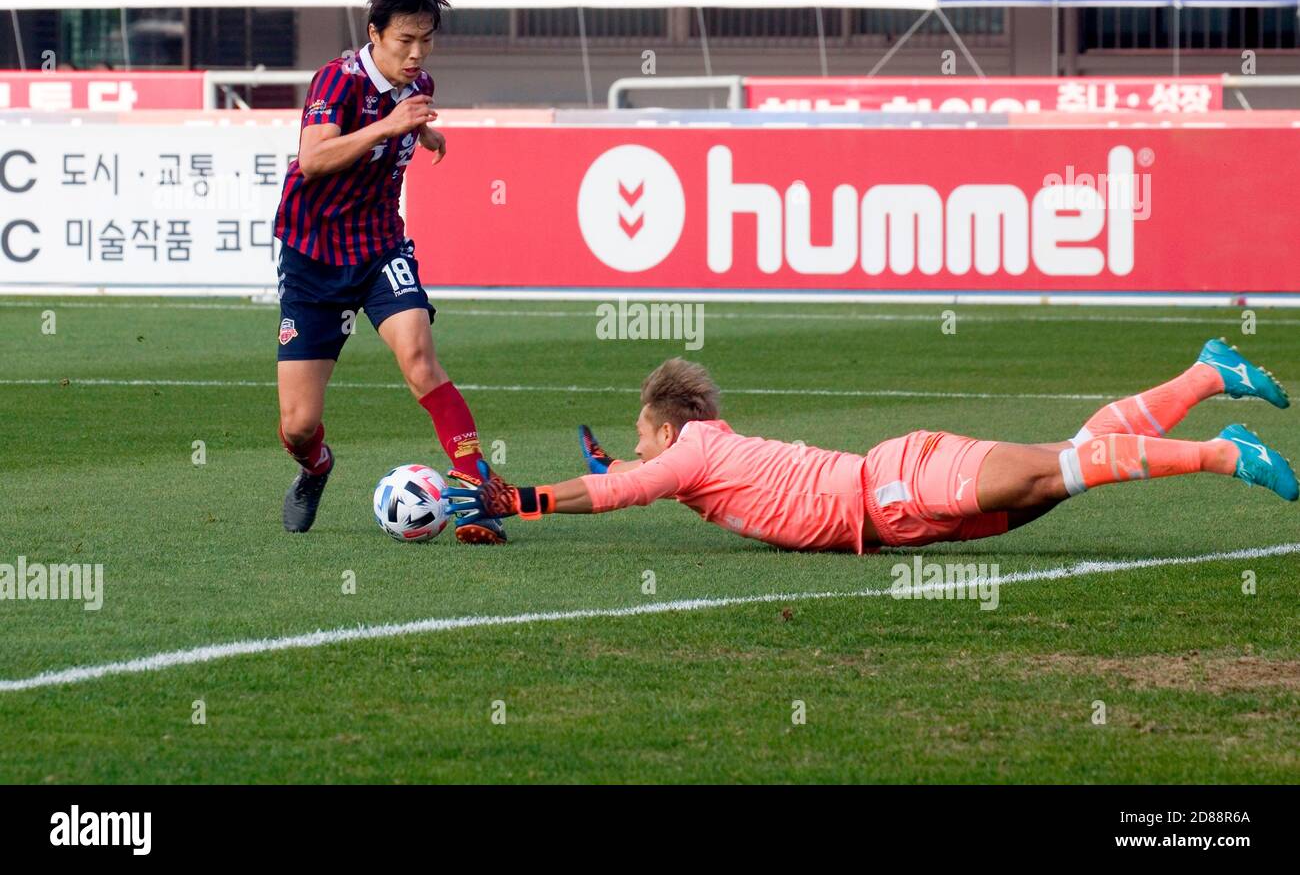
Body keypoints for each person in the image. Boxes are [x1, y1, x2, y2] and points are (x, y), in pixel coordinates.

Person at [444, 340, 1294, 552]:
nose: (639, 447)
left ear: (667, 428)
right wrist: (611, 465)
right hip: (900, 517)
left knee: (1068, 469)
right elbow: (639, 475)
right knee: (1067, 466)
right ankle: (1205, 374)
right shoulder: (702, 448)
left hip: (897, 485)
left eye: (642, 433)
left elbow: (630, 488)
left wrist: (526, 499)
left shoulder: (690, 452)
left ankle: (1224, 453)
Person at [273, 0, 504, 543]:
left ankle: (478, 489)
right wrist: (392, 126)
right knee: (298, 425)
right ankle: (316, 467)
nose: (417, 53)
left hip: (379, 247)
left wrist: (423, 132)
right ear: (374, 33)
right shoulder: (337, 81)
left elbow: (400, 119)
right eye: (405, 40)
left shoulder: (418, 86)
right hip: (313, 256)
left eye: (427, 39)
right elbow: (314, 160)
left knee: (420, 359)